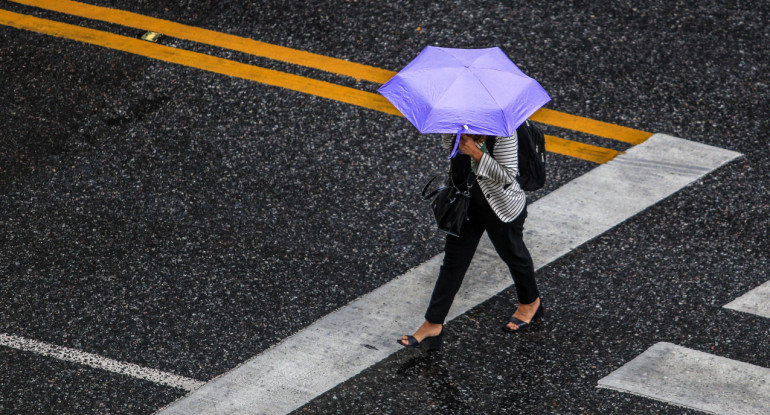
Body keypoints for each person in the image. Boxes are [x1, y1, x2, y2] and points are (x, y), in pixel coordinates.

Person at [399, 129, 543, 351]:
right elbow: (451, 154)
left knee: (513, 255)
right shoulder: (455, 125)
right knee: (453, 264)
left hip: (500, 207)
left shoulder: (504, 131)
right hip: (466, 204)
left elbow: (507, 174)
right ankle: (433, 323)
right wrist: (457, 140)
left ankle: (530, 302)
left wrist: (476, 153)